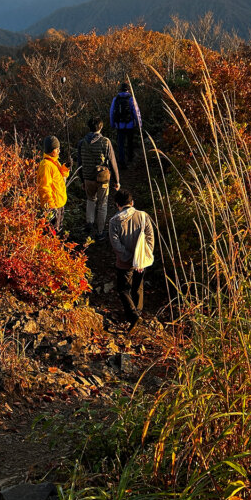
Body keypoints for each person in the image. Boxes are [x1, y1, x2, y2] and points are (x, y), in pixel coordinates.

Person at [108, 189, 155, 331]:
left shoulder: (114, 221)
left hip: (123, 262)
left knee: (123, 289)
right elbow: (150, 239)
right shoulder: (143, 216)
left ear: (117, 204)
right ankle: (137, 312)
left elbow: (116, 245)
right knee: (138, 287)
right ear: (132, 202)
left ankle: (133, 316)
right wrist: (142, 258)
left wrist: (127, 258)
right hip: (141, 260)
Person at [75, 117, 120, 241]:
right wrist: (117, 181)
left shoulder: (82, 142)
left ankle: (89, 224)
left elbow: (79, 163)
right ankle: (100, 232)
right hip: (102, 179)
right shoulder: (105, 142)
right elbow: (112, 162)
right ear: (101, 127)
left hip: (87, 178)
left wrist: (82, 180)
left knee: (90, 200)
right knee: (102, 204)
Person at [36, 135, 69, 235]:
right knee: (52, 232)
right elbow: (44, 188)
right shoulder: (46, 165)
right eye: (57, 149)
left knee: (58, 230)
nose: (59, 151)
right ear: (51, 150)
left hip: (60, 203)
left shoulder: (54, 161)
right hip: (53, 206)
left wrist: (66, 168)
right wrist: (50, 207)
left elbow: (61, 178)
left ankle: (57, 246)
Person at [109, 81, 142, 170]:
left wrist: (112, 124)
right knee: (130, 143)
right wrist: (139, 124)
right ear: (128, 90)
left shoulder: (115, 99)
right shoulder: (131, 99)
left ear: (120, 89)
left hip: (119, 126)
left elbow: (112, 113)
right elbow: (136, 112)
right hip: (130, 125)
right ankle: (130, 160)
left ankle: (122, 162)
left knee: (121, 144)